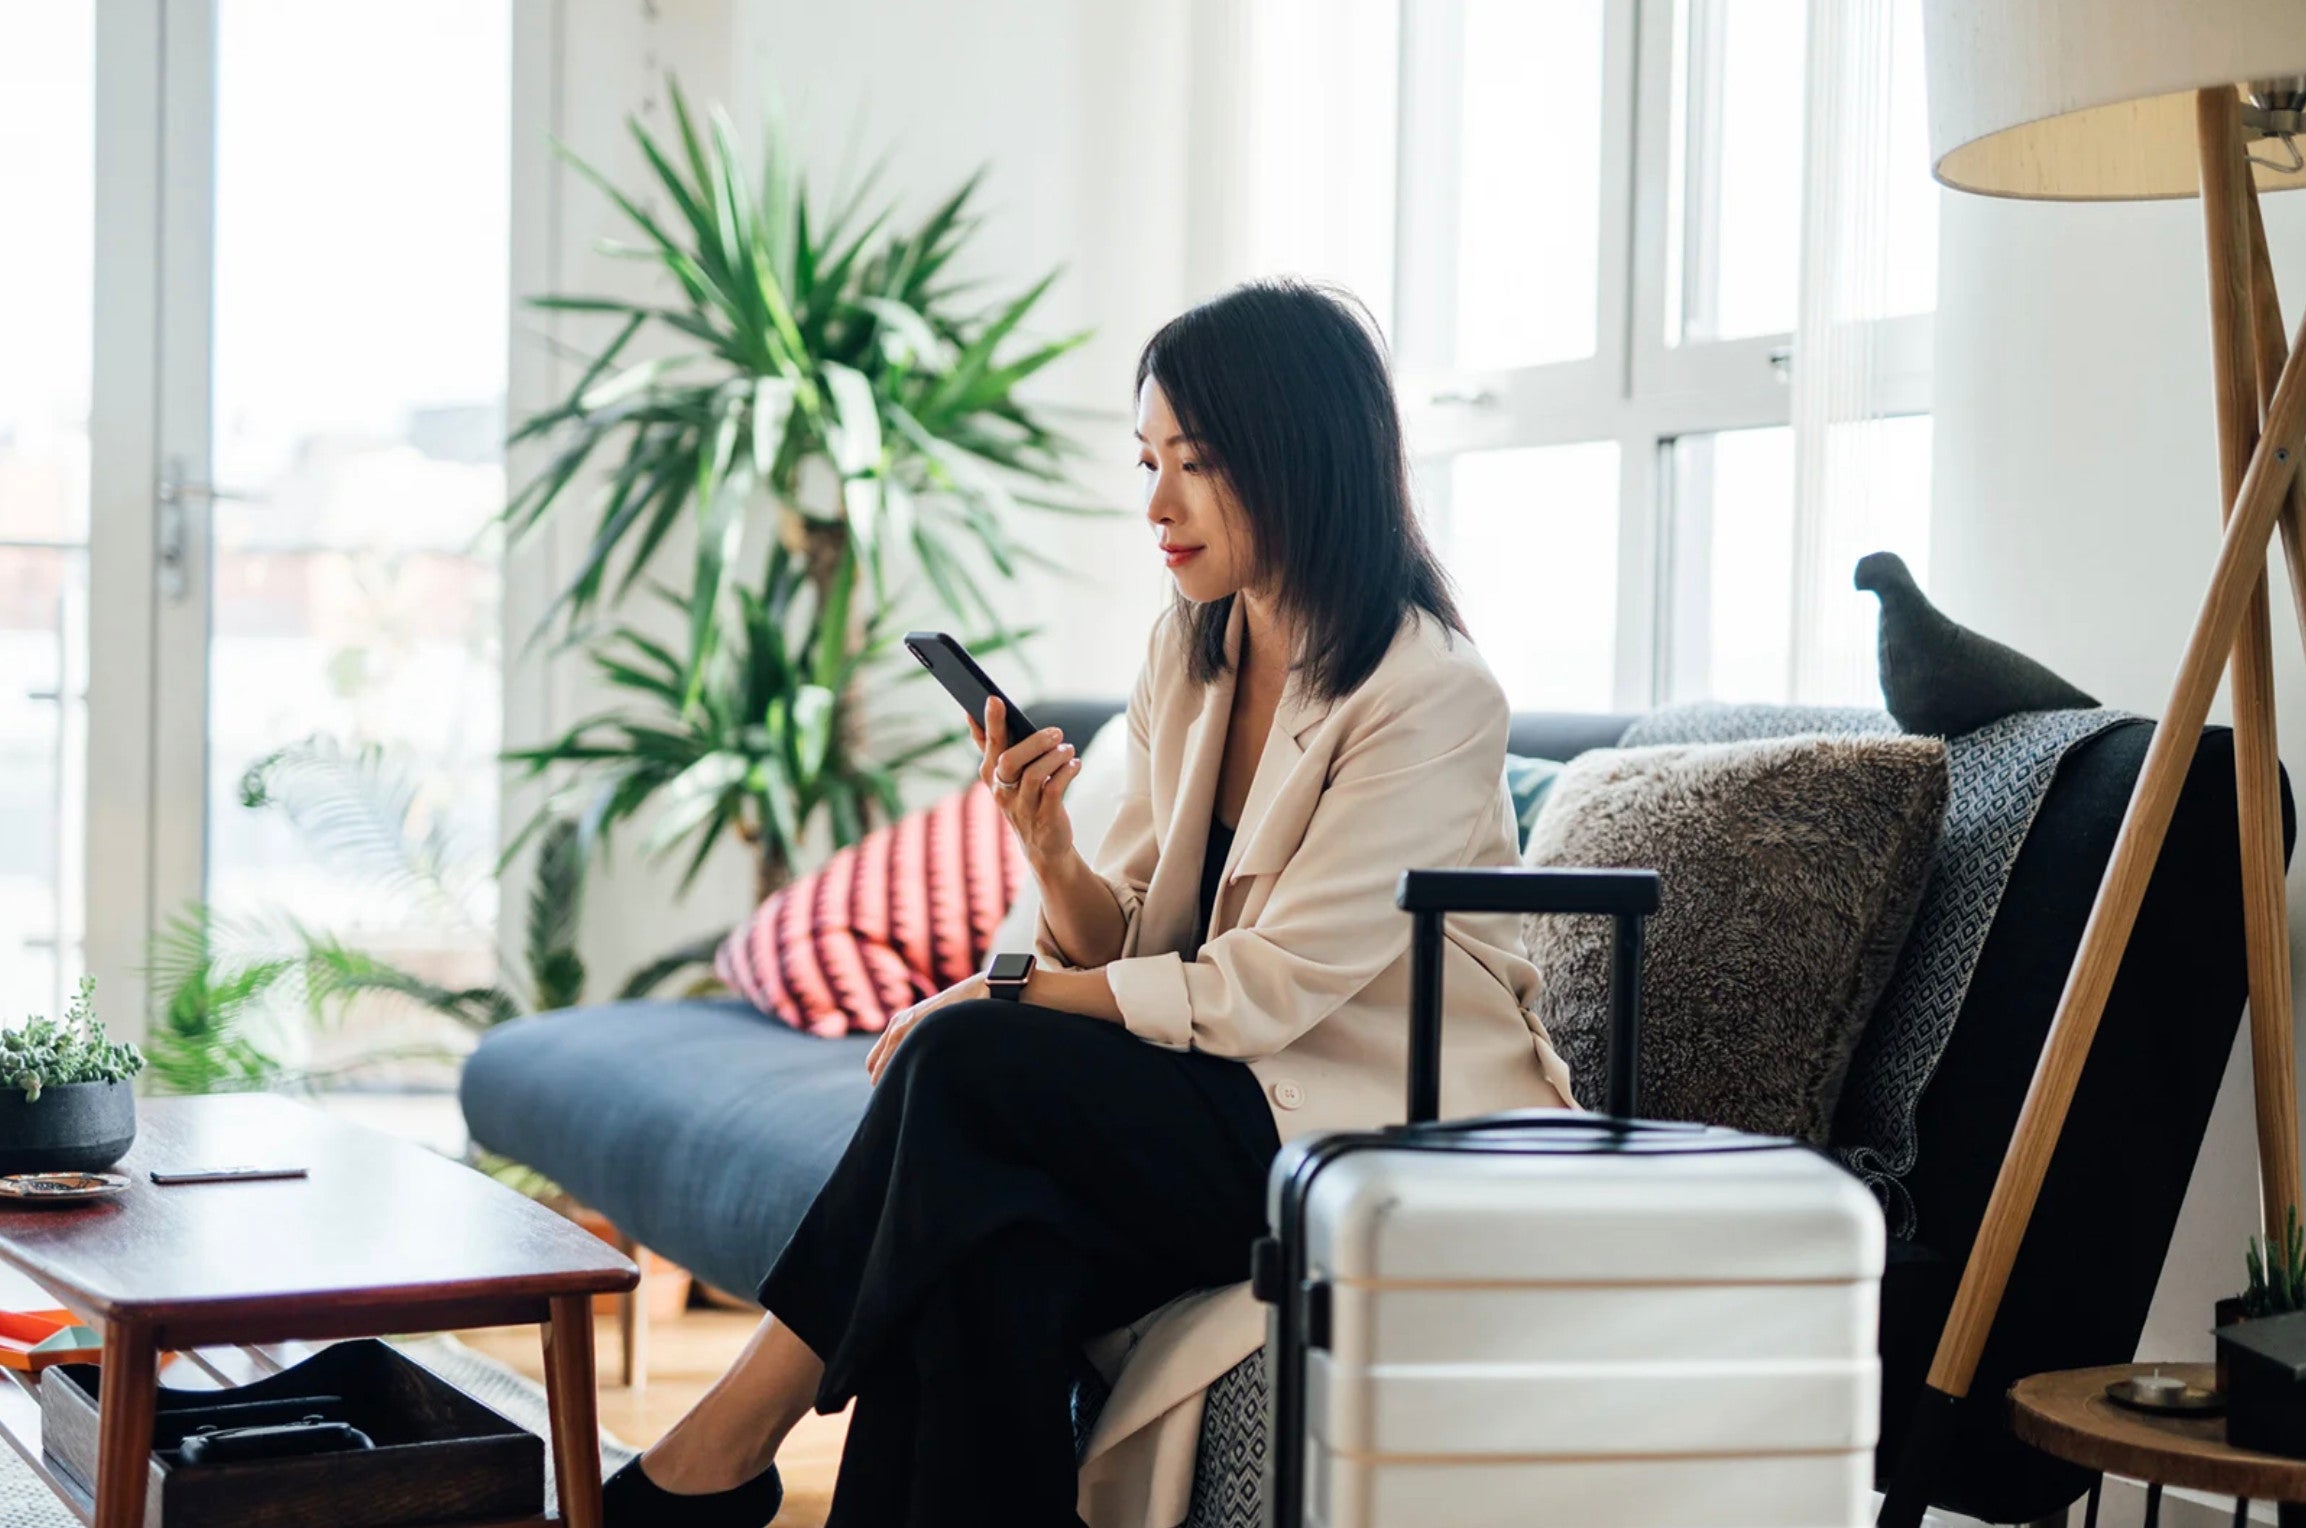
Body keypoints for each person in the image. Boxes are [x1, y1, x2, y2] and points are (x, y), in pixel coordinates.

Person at [599, 278, 1576, 1528]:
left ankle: (719, 1448)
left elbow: (1267, 985)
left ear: (1298, 457)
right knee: (988, 1248)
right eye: (1147, 460)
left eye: (1197, 462)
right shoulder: (1192, 645)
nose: (1156, 505)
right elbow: (1137, 940)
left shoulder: (1431, 694)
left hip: (1365, 1126)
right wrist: (1048, 850)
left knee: (963, 1061)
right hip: (1223, 1096)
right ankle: (717, 1467)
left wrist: (1005, 983)